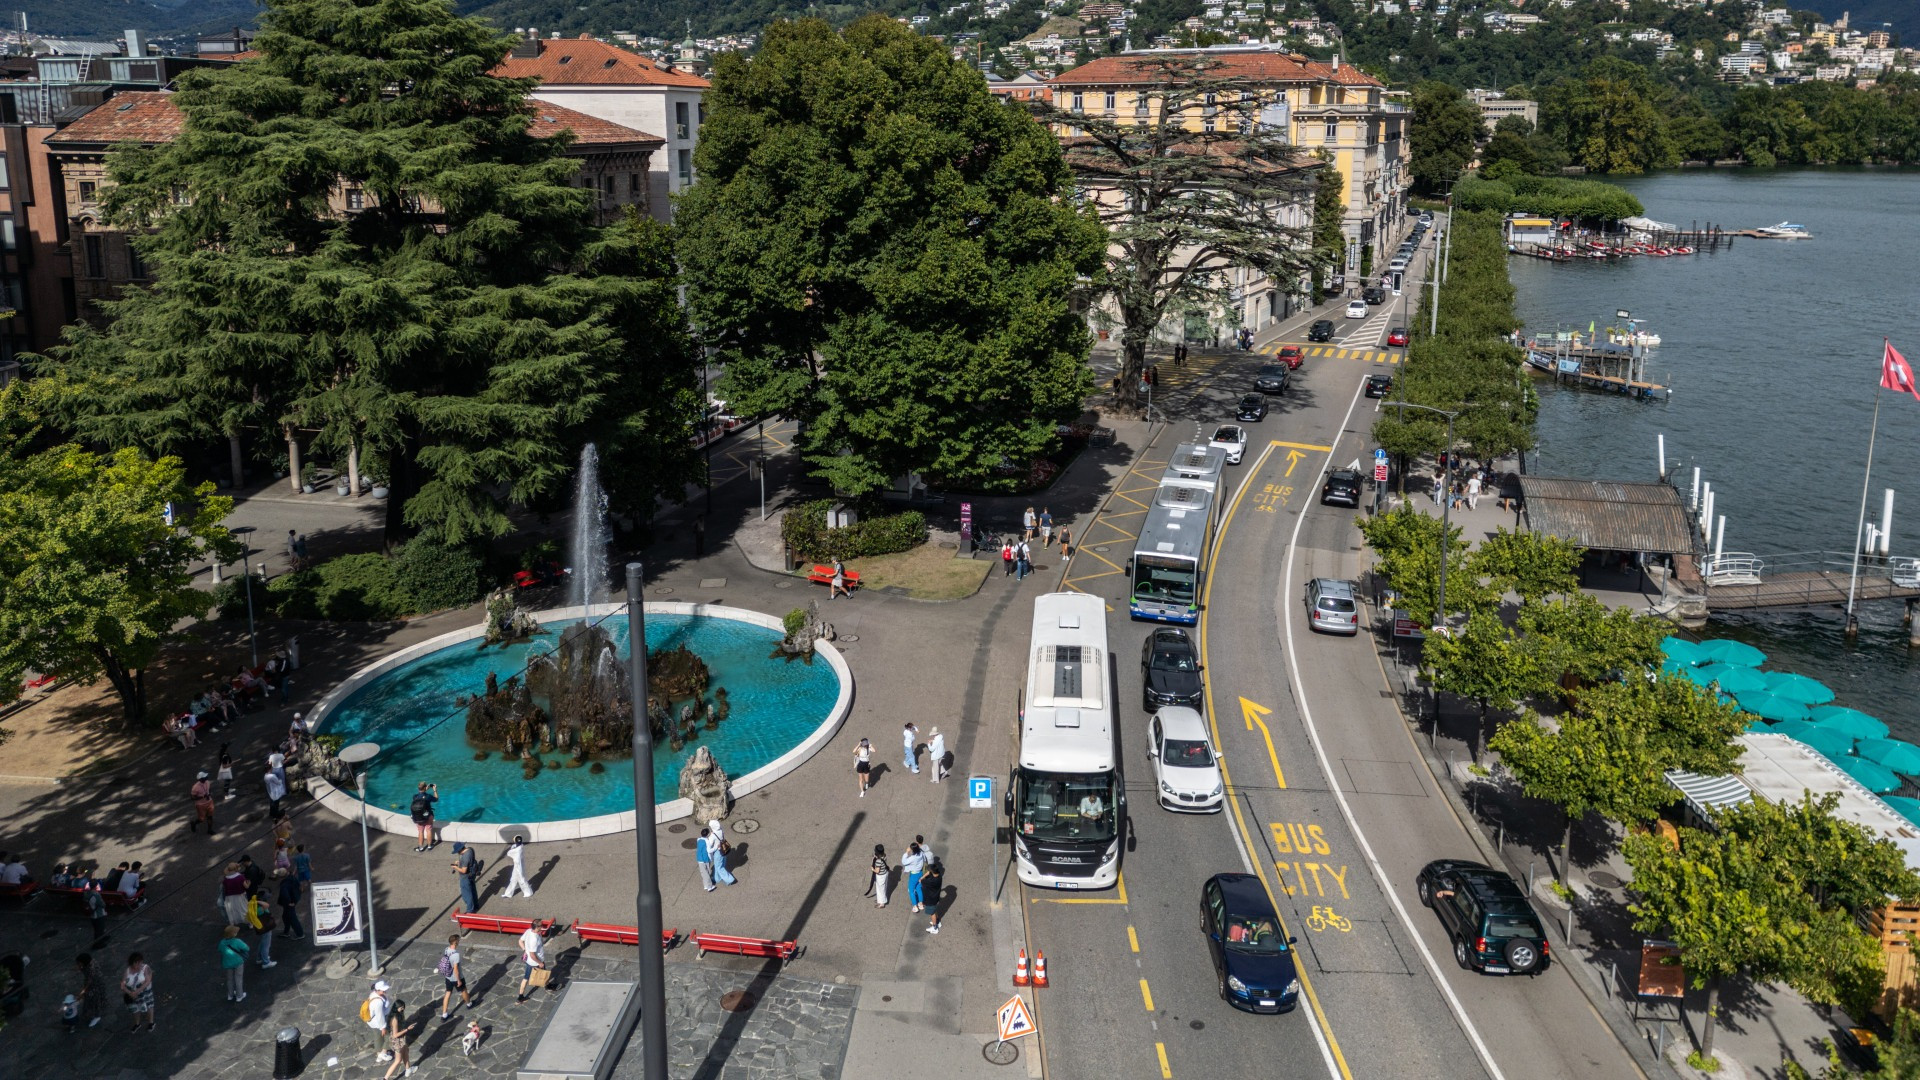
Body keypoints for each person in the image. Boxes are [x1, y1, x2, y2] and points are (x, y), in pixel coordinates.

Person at [439, 933, 473, 1018]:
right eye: (458, 940)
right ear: (455, 942)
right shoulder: (456, 955)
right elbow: (456, 969)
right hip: (455, 978)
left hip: (448, 976)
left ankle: (444, 1014)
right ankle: (469, 1004)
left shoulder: (446, 949)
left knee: (448, 992)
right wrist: (458, 980)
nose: (459, 941)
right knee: (463, 990)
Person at [122, 952, 155, 1032]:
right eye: (136, 962)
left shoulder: (145, 968)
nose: (138, 964)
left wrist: (137, 991)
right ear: (132, 962)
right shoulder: (128, 970)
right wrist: (130, 993)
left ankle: (151, 1023)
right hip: (133, 995)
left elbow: (148, 981)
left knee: (149, 1006)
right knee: (135, 1010)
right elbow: (123, 985)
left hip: (145, 993)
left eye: (140, 962)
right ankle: (137, 1024)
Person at [515, 923, 548, 1003]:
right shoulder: (534, 939)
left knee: (527, 977)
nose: (542, 927)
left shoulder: (529, 931)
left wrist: (525, 950)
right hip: (535, 962)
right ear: (537, 927)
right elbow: (532, 955)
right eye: (541, 926)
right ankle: (548, 985)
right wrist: (540, 963)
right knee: (542, 974)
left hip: (530, 961)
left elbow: (520, 941)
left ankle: (520, 996)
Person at [384, 1000, 416, 1080]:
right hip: (397, 1041)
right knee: (397, 1061)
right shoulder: (395, 1019)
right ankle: (385, 1078)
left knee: (406, 1051)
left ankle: (408, 1070)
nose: (403, 1009)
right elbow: (395, 1035)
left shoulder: (396, 1015)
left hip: (400, 1040)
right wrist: (407, 1029)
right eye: (401, 1008)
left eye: (403, 1007)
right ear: (396, 1007)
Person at [218, 926, 249, 1003]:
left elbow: (219, 950)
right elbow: (247, 948)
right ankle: (239, 996)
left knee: (230, 979)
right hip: (238, 962)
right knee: (238, 979)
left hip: (227, 963)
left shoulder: (222, 942)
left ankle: (230, 995)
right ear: (233, 934)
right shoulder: (237, 941)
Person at [364, 980, 393, 1062]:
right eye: (383, 990)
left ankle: (379, 1055)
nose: (385, 991)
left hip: (373, 1023)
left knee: (378, 1037)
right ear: (378, 990)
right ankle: (383, 1052)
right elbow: (380, 1016)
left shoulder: (373, 994)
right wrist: (383, 1027)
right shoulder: (378, 1002)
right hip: (379, 1022)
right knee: (389, 1035)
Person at [247, 891, 277, 968]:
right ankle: (266, 962)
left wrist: (256, 901)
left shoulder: (254, 906)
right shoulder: (259, 908)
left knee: (262, 943)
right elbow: (267, 905)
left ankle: (259, 958)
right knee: (266, 945)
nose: (267, 899)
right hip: (265, 927)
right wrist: (257, 901)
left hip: (262, 928)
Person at [75, 952, 105, 1029]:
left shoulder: (91, 970)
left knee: (94, 1000)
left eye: (79, 963)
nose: (78, 964)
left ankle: (97, 1016)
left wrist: (82, 992)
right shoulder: (90, 962)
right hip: (94, 983)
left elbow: (88, 983)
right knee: (90, 999)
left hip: (95, 986)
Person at [410, 782, 439, 852]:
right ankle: (429, 846)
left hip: (418, 817)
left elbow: (421, 795)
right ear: (425, 787)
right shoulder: (428, 796)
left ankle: (420, 847)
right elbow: (436, 799)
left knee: (420, 831)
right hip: (428, 816)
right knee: (428, 830)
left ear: (418, 788)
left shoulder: (415, 796)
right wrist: (435, 790)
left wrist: (425, 789)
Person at [451, 841, 479, 913]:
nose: (458, 853)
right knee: (473, 891)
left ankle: (470, 910)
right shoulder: (470, 850)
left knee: (466, 894)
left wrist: (455, 867)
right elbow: (469, 862)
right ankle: (476, 905)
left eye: (457, 851)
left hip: (465, 877)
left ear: (460, 850)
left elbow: (463, 871)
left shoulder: (465, 857)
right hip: (471, 875)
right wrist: (460, 862)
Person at [900, 842, 928, 913]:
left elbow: (904, 862)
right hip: (920, 873)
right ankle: (920, 904)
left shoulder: (912, 858)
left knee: (911, 890)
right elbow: (925, 859)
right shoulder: (921, 853)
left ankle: (915, 906)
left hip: (914, 875)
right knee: (919, 888)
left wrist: (907, 852)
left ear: (913, 850)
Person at [277, 873, 306, 939]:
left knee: (292, 918)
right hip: (293, 900)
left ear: (281, 877)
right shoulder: (293, 878)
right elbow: (299, 887)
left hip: (288, 904)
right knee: (285, 916)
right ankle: (286, 932)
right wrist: (295, 900)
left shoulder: (284, 885)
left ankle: (300, 934)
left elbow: (284, 894)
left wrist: (289, 902)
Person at [923, 856, 946, 934]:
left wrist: (923, 877)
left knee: (932, 913)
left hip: (930, 899)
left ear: (932, 872)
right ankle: (937, 921)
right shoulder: (939, 876)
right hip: (936, 897)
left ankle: (935, 927)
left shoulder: (930, 881)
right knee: (935, 910)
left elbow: (922, 881)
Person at [190, 772, 217, 837]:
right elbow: (192, 798)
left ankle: (209, 830)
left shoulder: (208, 782)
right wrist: (202, 797)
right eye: (205, 777)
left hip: (209, 802)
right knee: (201, 819)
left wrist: (209, 794)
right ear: (200, 779)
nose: (207, 777)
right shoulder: (195, 787)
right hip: (200, 805)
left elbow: (208, 789)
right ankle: (194, 823)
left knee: (210, 816)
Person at [84, 881, 108, 946]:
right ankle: (98, 943)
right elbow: (102, 904)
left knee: (96, 928)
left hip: (91, 913)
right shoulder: (96, 894)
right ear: (96, 886)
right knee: (99, 928)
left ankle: (101, 938)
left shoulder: (86, 893)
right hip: (98, 913)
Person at [694, 826, 716, 892]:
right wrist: (715, 847)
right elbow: (709, 850)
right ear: (708, 834)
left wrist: (710, 834)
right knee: (707, 873)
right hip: (705, 859)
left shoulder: (698, 839)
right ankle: (709, 886)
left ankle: (706, 885)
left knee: (703, 873)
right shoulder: (707, 841)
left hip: (699, 859)